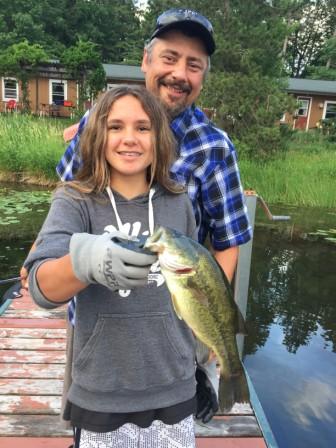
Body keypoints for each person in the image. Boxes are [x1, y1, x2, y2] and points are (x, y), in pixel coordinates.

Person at [22, 7, 252, 427]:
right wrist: (47, 260)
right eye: (169, 57)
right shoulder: (96, 124)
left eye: (193, 64)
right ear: (146, 60)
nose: (179, 73)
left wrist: (204, 334)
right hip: (99, 334)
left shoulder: (215, 147)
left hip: (172, 337)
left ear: (203, 75)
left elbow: (227, 242)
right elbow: (66, 207)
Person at [24, 85, 199, 448]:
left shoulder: (179, 201)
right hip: (103, 389)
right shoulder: (74, 200)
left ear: (159, 137)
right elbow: (42, 288)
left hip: (174, 384)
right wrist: (85, 261)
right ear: (98, 134)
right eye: (116, 127)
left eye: (143, 127)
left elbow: (195, 286)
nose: (129, 139)